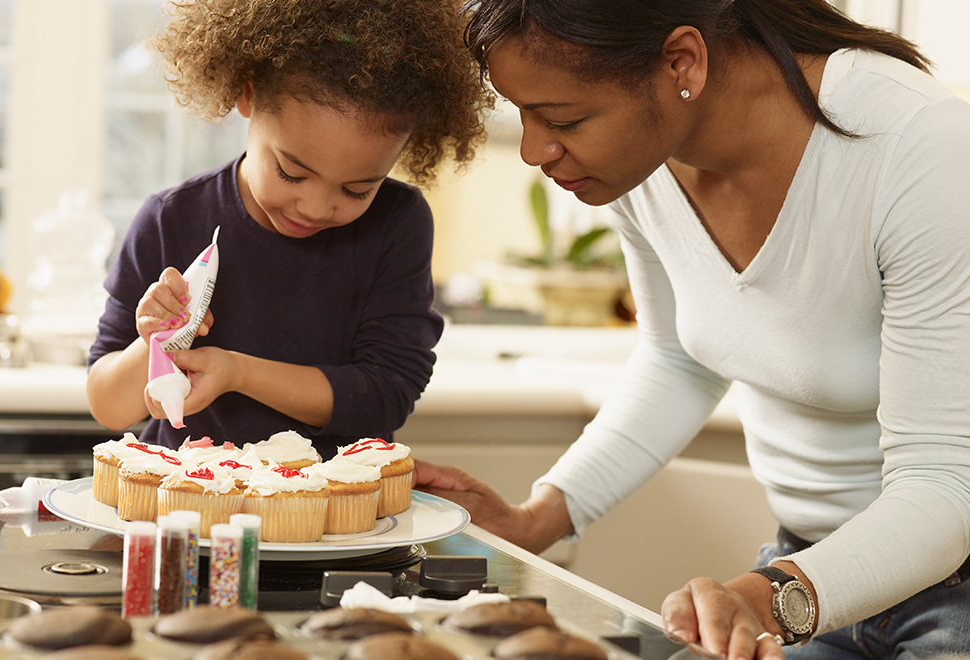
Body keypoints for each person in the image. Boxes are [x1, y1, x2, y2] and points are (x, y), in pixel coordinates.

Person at [412, 1, 970, 658]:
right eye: (523, 114)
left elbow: (945, 483)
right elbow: (678, 358)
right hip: (809, 576)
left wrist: (765, 596)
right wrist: (538, 519)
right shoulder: (644, 159)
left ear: (682, 61)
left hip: (942, 591)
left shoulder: (919, 146)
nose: (536, 150)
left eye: (564, 119)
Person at [86, 0, 491, 457]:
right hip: (190, 513)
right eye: (291, 173)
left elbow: (385, 395)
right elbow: (108, 407)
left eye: (357, 190)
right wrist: (156, 342)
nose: (316, 208)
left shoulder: (397, 224)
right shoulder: (170, 220)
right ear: (248, 94)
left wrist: (237, 373)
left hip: (336, 521)